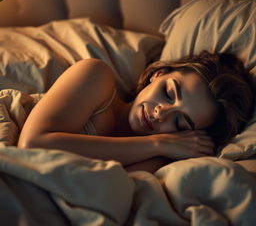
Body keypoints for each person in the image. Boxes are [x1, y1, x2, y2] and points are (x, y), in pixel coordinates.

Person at [18, 51, 254, 173]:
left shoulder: (159, 159)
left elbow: (99, 192)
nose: (161, 114)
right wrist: (157, 142)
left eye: (180, 123)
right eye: (169, 93)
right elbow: (32, 146)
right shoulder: (96, 76)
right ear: (158, 74)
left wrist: (160, 150)